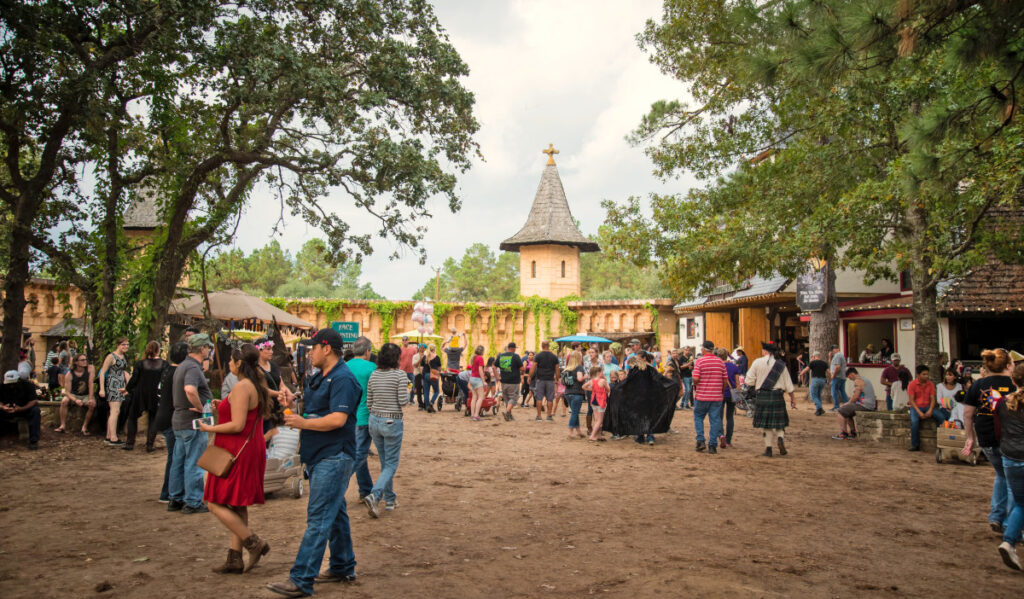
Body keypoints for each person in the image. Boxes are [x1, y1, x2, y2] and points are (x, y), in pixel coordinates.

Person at [267, 328, 361, 598]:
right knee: (335, 513)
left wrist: (303, 422)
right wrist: (293, 405)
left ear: (326, 348)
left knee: (319, 518)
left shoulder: (342, 379)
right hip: (321, 455)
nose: (310, 353)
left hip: (334, 456)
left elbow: (337, 420)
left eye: (313, 348)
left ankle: (301, 579)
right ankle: (342, 565)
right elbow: (313, 411)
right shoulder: (322, 377)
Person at [199, 345, 273, 574]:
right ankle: (234, 557)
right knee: (237, 502)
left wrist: (208, 428)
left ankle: (253, 542)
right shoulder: (255, 384)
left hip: (237, 448)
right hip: (247, 447)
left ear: (238, 363)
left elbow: (238, 424)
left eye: (231, 360)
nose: (228, 363)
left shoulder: (242, 386)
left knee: (213, 501)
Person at [963, 348, 1017, 534]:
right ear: (1008, 365)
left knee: (1001, 475)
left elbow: (968, 415)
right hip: (1009, 439)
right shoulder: (1014, 384)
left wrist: (970, 438)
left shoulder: (978, 385)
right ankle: (1010, 524)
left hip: (986, 438)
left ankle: (996, 516)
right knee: (1012, 481)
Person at [168, 333, 214, 515]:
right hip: (191, 422)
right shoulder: (194, 368)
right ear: (202, 348)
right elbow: (190, 389)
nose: (209, 350)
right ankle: (193, 501)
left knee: (178, 461)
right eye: (208, 347)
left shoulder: (183, 365)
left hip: (180, 420)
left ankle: (175, 497)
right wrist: (201, 407)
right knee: (193, 461)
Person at [363, 343, 407, 516]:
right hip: (392, 421)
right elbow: (403, 401)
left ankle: (389, 499)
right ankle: (375, 495)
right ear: (396, 358)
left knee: (385, 463)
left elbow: (369, 401)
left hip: (374, 420)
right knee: (391, 463)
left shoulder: (374, 375)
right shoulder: (400, 376)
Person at [996, 363, 1024, 570]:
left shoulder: (1003, 402)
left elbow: (998, 428)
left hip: (1009, 456)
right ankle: (1009, 540)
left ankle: (1009, 541)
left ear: (1013, 380)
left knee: (1021, 503)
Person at [747, 342, 795, 457]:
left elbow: (749, 380)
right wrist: (793, 399)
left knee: (767, 424)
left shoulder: (757, 362)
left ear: (765, 351)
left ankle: (768, 449)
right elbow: (789, 384)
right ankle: (780, 438)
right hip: (777, 395)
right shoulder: (780, 364)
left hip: (763, 395)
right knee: (780, 422)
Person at [344, 336, 377, 503]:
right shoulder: (372, 367)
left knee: (360, 454)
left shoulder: (344, 366)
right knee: (359, 454)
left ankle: (365, 489)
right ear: (367, 351)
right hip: (364, 417)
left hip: (347, 417)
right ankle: (338, 486)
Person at [156, 342, 188, 504]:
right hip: (170, 419)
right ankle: (168, 493)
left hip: (164, 416)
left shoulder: (168, 370)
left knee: (174, 456)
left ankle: (170, 492)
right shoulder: (178, 373)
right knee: (175, 457)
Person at [122, 341, 166, 451]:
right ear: (158, 350)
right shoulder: (164, 364)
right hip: (155, 394)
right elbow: (165, 380)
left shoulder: (140, 363)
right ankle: (150, 445)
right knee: (153, 418)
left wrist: (127, 389)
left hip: (140, 393)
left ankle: (129, 443)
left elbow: (134, 379)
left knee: (132, 417)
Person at [691, 340, 728, 454]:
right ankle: (712, 445)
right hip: (716, 397)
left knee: (698, 418)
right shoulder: (720, 362)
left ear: (703, 350)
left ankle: (701, 441)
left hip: (702, 396)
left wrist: (695, 383)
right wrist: (721, 392)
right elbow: (725, 380)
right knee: (715, 420)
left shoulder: (700, 361)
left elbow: (696, 378)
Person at [98, 337, 131, 445]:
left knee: (116, 411)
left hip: (121, 385)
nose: (126, 346)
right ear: (118, 345)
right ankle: (113, 437)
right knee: (114, 411)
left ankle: (109, 435)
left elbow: (124, 372)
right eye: (123, 344)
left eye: (127, 344)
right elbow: (102, 372)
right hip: (113, 385)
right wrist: (102, 389)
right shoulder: (111, 357)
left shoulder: (123, 356)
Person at [56, 353, 96, 435]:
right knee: (64, 401)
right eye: (82, 360)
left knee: (92, 404)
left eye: (85, 360)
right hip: (74, 394)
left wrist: (91, 398)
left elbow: (91, 384)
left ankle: (84, 427)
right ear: (76, 362)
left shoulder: (90, 368)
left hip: (86, 394)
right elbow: (67, 392)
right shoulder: (69, 374)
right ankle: (62, 425)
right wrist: (75, 400)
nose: (85, 362)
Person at [906, 364, 944, 452]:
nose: (926, 376)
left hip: (927, 406)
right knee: (914, 422)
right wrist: (919, 412)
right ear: (918, 375)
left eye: (927, 374)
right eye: (924, 374)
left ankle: (941, 441)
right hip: (916, 407)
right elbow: (911, 401)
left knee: (941, 417)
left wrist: (930, 410)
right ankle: (915, 445)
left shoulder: (930, 384)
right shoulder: (912, 385)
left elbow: (933, 399)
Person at [832, 367, 876, 440]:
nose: (849, 378)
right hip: (869, 405)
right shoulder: (865, 379)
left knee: (839, 411)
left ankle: (843, 433)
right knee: (848, 412)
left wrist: (848, 403)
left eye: (848, 376)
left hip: (864, 405)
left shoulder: (858, 381)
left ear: (852, 374)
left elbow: (855, 397)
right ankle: (853, 432)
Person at [1, 370, 40, 449]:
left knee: (35, 410)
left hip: (24, 409)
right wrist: (2, 407)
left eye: (13, 383)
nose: (11, 386)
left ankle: (33, 441)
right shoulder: (2, 386)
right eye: (9, 384)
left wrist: (21, 408)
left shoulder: (28, 385)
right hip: (6, 410)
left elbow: (33, 401)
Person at [530, 341, 559, 422]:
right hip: (550, 380)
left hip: (540, 379)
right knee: (550, 398)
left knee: (539, 398)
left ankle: (539, 416)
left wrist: (529, 376)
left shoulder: (538, 356)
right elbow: (557, 369)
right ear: (548, 346)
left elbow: (533, 367)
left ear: (542, 346)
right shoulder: (554, 356)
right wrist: (558, 378)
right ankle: (549, 416)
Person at [562, 350, 587, 439]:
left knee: (574, 412)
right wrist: (586, 376)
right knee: (575, 413)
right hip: (577, 393)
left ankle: (578, 431)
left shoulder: (568, 368)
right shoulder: (579, 367)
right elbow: (580, 379)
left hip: (568, 392)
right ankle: (570, 431)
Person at [717, 348, 739, 448]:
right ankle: (728, 439)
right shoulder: (734, 367)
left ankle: (721, 435)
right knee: (730, 417)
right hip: (731, 393)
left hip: (720, 393)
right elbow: (738, 383)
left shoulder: (718, 367)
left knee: (719, 417)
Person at [497, 342, 523, 421]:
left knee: (507, 399)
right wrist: (522, 371)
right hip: (514, 381)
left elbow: (494, 366)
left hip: (504, 381)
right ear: (513, 348)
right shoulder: (515, 356)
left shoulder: (501, 356)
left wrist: (497, 376)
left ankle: (509, 415)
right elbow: (522, 368)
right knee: (514, 398)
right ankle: (507, 411)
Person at [583, 365, 609, 441]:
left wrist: (593, 390)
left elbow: (583, 386)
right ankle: (592, 436)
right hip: (600, 401)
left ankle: (598, 435)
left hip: (593, 400)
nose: (603, 373)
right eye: (601, 372)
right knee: (600, 420)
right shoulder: (602, 381)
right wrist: (606, 380)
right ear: (598, 372)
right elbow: (608, 389)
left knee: (597, 419)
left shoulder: (592, 380)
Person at [799, 351, 829, 416]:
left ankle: (820, 408)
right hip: (823, 380)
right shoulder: (824, 363)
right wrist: (829, 380)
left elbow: (806, 369)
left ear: (814, 356)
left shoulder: (813, 363)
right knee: (818, 395)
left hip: (815, 379)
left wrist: (801, 374)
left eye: (812, 357)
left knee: (813, 395)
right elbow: (828, 372)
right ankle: (818, 410)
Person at [467, 345, 486, 421]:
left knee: (474, 397)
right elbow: (480, 370)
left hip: (472, 378)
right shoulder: (480, 358)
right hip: (477, 379)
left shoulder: (473, 358)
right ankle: (476, 415)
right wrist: (483, 381)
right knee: (480, 397)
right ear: (482, 351)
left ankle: (472, 414)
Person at [398, 336, 417, 405]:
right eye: (403, 340)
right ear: (402, 341)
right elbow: (398, 360)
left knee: (411, 385)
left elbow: (416, 358)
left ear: (408, 341)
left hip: (411, 371)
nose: (405, 341)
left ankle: (411, 400)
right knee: (402, 386)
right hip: (402, 371)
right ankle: (402, 400)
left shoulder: (413, 349)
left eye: (406, 340)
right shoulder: (400, 350)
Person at [828, 344, 848, 411]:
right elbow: (832, 365)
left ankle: (836, 406)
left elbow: (837, 367)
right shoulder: (839, 355)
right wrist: (830, 357)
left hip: (837, 377)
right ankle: (847, 405)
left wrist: (833, 375)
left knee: (834, 392)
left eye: (832, 350)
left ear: (834, 349)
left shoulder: (837, 356)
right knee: (842, 391)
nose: (832, 351)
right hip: (842, 377)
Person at [424, 343, 442, 411]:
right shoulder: (437, 357)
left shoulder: (425, 357)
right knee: (437, 391)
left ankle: (427, 406)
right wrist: (439, 372)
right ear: (434, 349)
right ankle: (431, 403)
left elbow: (422, 367)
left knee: (426, 391)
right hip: (433, 375)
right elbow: (439, 368)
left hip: (426, 375)